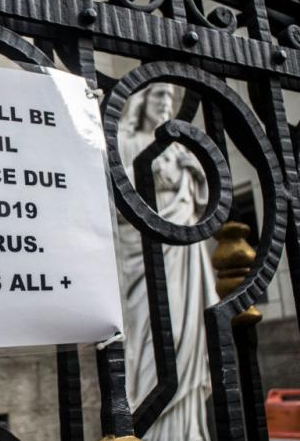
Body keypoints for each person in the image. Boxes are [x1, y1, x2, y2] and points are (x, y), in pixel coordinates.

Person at [116, 83, 218, 441]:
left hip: (184, 254)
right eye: (158, 95)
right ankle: (152, 423)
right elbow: (116, 200)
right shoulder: (127, 143)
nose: (166, 102)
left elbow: (204, 207)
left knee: (187, 334)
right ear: (141, 102)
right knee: (152, 334)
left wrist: (196, 171)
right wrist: (145, 175)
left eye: (171, 98)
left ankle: (185, 430)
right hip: (144, 257)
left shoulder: (178, 148)